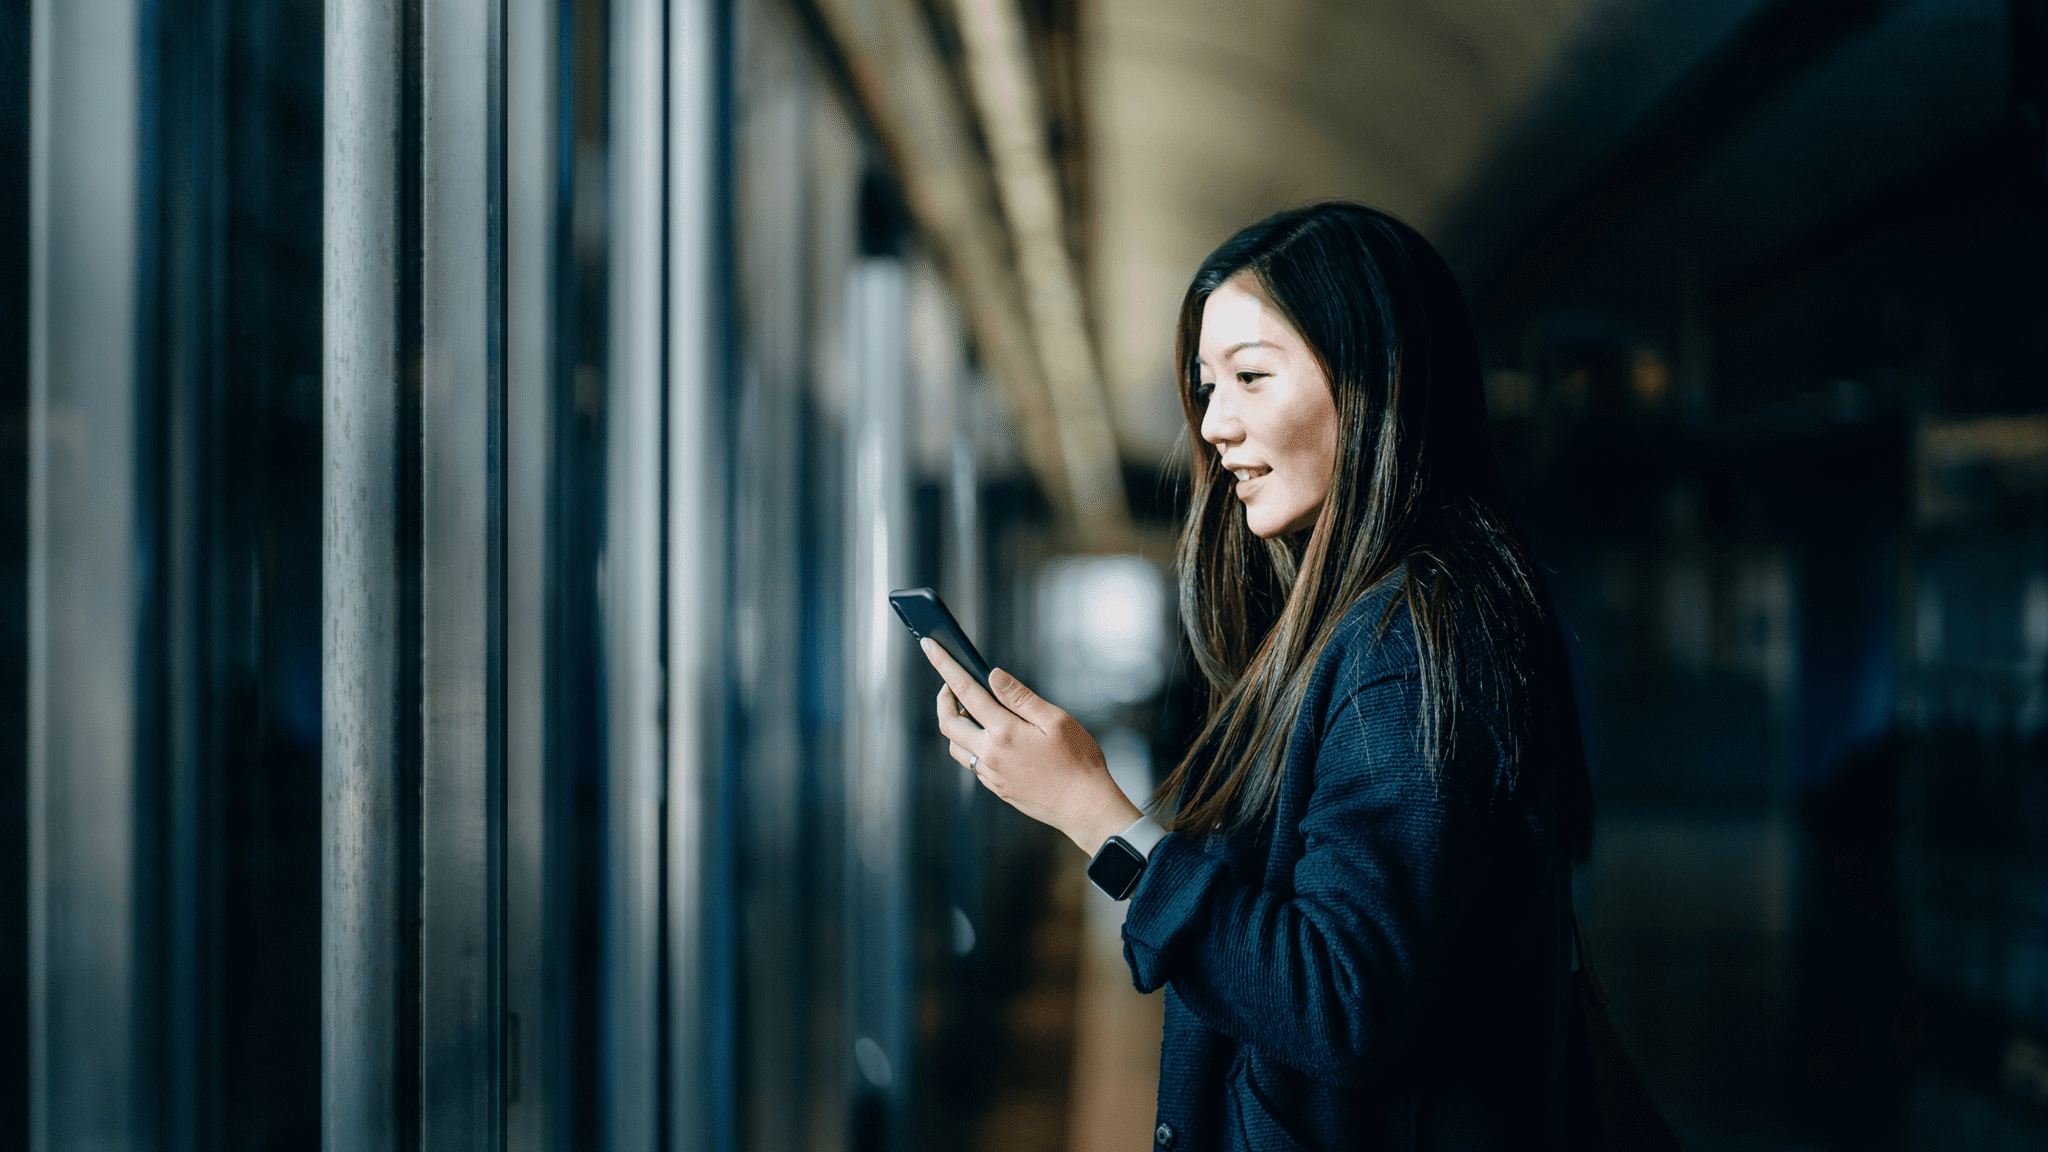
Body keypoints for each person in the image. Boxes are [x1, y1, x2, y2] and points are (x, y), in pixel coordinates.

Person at [919, 201, 1595, 1150]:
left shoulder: (1412, 641)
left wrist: (1095, 816)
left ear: (1374, 382)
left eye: (1249, 376)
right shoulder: (1363, 622)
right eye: (1204, 385)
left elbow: (1335, 1001)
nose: (1214, 423)